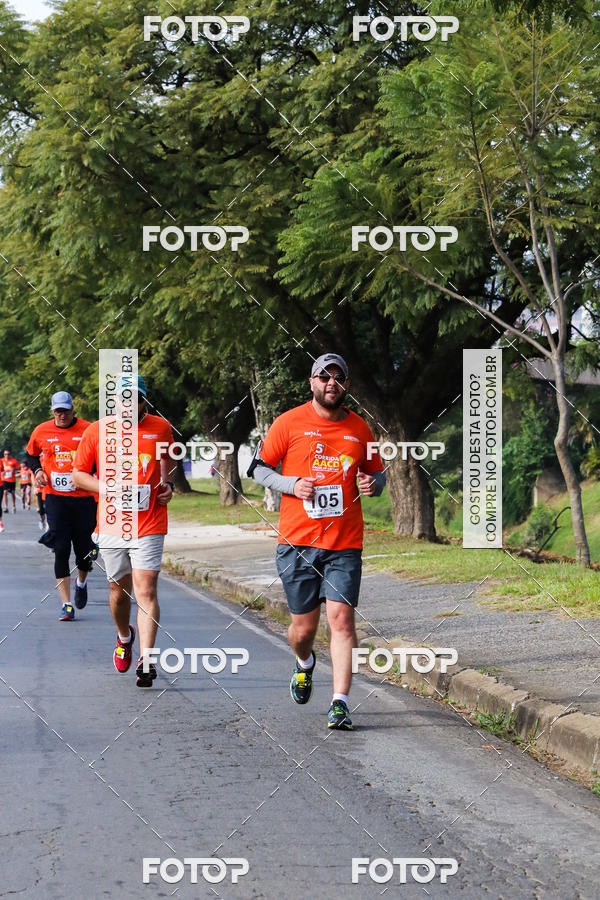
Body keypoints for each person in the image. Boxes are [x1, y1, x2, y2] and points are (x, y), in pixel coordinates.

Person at [251, 353, 386, 730]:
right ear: (311, 382)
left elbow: (378, 475)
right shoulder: (288, 422)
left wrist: (373, 484)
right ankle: (304, 662)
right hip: (297, 543)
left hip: (344, 543)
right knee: (304, 631)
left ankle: (340, 702)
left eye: (338, 377)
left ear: (347, 384)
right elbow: (258, 469)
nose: (331, 383)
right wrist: (291, 484)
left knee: (341, 620)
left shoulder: (360, 428)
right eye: (324, 376)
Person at [73, 375, 175, 687]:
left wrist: (168, 484)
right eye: (125, 398)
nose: (131, 404)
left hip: (150, 521)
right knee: (119, 592)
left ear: (144, 401)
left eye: (137, 399)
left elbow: (168, 460)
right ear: (115, 401)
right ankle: (124, 635)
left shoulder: (161, 428)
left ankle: (147, 659)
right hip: (112, 523)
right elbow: (78, 475)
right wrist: (107, 488)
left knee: (146, 590)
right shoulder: (97, 430)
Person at [25, 392, 96, 621]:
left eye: (65, 410)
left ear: (73, 409)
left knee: (83, 551)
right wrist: (37, 471)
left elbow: (101, 459)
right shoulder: (41, 431)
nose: (62, 415)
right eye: (58, 411)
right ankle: (66, 604)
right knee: (61, 548)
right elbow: (30, 455)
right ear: (53, 411)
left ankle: (81, 582)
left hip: (84, 498)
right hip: (55, 497)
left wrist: (88, 475)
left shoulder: (88, 430)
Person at [1, 449, 19, 513]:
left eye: (8, 454)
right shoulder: (1, 460)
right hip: (4, 479)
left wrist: (14, 468)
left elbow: (18, 468)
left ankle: (13, 506)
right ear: (3, 454)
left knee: (12, 493)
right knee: (4, 492)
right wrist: (2, 472)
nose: (7, 455)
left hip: (12, 480)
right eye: (5, 454)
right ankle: (6, 507)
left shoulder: (14, 460)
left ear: (10, 454)